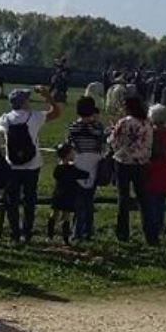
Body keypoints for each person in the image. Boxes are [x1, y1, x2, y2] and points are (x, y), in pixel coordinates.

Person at [0, 87, 60, 244]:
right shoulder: (34, 117)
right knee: (29, 200)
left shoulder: (5, 118)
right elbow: (56, 112)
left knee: (12, 201)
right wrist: (48, 96)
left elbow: (0, 133)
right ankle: (27, 232)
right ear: (24, 102)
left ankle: (14, 234)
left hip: (12, 165)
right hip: (32, 164)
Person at [108, 96, 153, 243]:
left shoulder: (124, 122)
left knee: (123, 197)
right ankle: (150, 233)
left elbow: (113, 142)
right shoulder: (147, 122)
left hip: (124, 162)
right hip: (141, 162)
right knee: (143, 198)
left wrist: (112, 131)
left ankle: (123, 233)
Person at [66, 96, 106, 241]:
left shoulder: (73, 127)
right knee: (89, 198)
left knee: (79, 199)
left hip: (78, 163)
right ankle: (87, 229)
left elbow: (69, 145)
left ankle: (77, 230)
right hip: (94, 164)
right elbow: (102, 144)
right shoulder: (98, 127)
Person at [143, 104, 166, 246]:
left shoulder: (149, 134)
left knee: (150, 202)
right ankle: (159, 227)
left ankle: (152, 230)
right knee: (161, 201)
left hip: (151, 171)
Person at [49, 143, 88, 244]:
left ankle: (50, 235)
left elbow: (55, 176)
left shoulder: (58, 168)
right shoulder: (72, 169)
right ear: (68, 155)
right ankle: (65, 239)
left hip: (58, 194)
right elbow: (84, 174)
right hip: (69, 195)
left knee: (54, 214)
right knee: (66, 216)